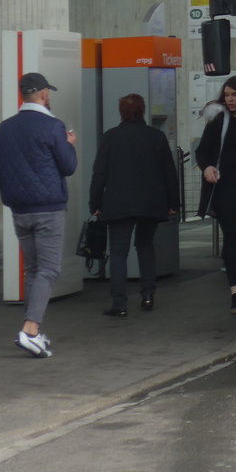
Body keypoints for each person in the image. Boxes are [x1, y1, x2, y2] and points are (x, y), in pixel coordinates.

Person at [0, 72, 77, 358]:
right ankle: (30, 329)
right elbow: (68, 166)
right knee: (48, 270)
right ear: (45, 95)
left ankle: (33, 331)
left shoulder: (4, 128)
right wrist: (70, 144)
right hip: (48, 209)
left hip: (19, 210)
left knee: (34, 271)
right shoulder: (53, 127)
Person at [89, 93, 179, 318]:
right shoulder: (156, 137)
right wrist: (172, 203)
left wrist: (95, 203)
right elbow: (169, 173)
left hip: (118, 203)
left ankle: (119, 303)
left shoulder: (110, 137)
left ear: (122, 112)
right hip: (150, 203)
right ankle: (148, 294)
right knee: (145, 246)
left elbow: (99, 173)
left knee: (118, 252)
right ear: (143, 110)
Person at [196, 75, 236, 314]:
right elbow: (203, 151)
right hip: (226, 186)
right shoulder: (219, 120)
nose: (230, 100)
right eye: (227, 95)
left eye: (235, 95)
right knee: (233, 235)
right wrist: (207, 166)